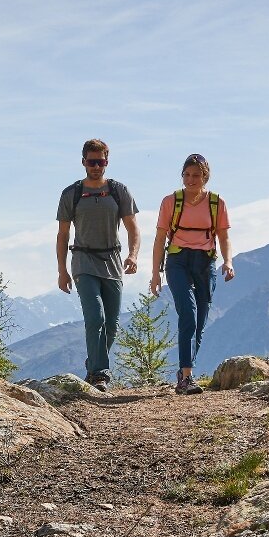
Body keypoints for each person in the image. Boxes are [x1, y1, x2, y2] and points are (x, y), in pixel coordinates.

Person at [56, 139, 140, 391]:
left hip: (112, 261)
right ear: (83, 162)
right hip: (83, 260)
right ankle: (100, 374)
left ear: (107, 162)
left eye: (100, 161)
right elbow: (62, 235)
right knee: (95, 318)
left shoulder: (119, 191)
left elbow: (133, 227)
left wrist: (133, 255)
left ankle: (93, 362)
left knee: (112, 324)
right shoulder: (71, 193)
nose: (96, 166)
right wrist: (62, 270)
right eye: (91, 161)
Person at [149, 153, 234, 394]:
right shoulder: (170, 202)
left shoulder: (216, 203)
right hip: (177, 261)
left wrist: (228, 262)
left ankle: (185, 372)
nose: (190, 179)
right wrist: (155, 273)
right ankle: (186, 377)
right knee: (187, 313)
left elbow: (224, 236)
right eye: (186, 175)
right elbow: (158, 239)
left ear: (205, 176)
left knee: (200, 321)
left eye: (196, 175)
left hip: (205, 262)